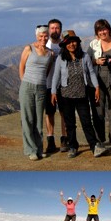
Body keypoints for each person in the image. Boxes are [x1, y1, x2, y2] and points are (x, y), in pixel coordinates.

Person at [51, 30, 107, 158]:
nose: (71, 45)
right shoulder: (61, 58)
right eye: (68, 43)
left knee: (86, 121)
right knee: (70, 124)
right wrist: (53, 92)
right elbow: (56, 76)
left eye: (73, 42)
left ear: (77, 42)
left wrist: (97, 87)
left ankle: (94, 147)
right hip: (65, 95)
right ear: (65, 45)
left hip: (82, 94)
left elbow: (91, 72)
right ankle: (72, 147)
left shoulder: (84, 56)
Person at [87, 19, 111, 151]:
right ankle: (100, 140)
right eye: (99, 30)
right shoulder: (93, 44)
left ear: (109, 29)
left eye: (104, 29)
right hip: (97, 82)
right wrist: (96, 61)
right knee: (98, 111)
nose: (103, 32)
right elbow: (86, 62)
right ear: (96, 33)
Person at [19, 25, 54, 160]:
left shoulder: (51, 53)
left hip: (41, 88)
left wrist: (40, 83)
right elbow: (21, 67)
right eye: (41, 36)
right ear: (36, 36)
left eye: (46, 36)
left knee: (39, 119)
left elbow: (47, 71)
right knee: (28, 118)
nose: (43, 38)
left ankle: (39, 149)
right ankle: (30, 150)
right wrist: (24, 82)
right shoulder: (29, 49)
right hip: (27, 86)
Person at [45, 19, 68, 153]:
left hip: (63, 84)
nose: (55, 30)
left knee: (64, 113)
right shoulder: (45, 44)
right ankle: (50, 140)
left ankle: (64, 139)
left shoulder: (65, 45)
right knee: (49, 113)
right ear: (49, 30)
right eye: (52, 28)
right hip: (48, 84)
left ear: (61, 29)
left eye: (57, 28)